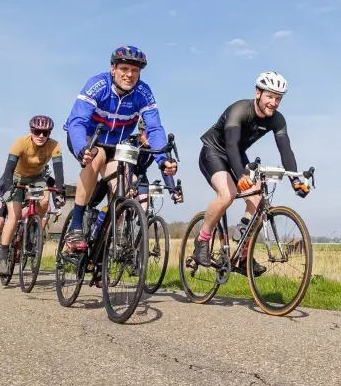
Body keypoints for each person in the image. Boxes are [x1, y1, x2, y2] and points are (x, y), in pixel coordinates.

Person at [61, 45, 178, 252]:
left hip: (115, 145)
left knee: (127, 186)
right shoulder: (98, 85)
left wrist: (163, 160)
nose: (129, 75)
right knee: (96, 156)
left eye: (135, 70)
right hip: (87, 139)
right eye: (124, 69)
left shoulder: (143, 92)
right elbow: (77, 121)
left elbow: (154, 128)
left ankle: (102, 242)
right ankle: (76, 226)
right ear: (113, 69)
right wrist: (82, 147)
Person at [192, 71, 309, 271]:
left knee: (257, 200)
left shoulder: (277, 120)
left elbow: (285, 150)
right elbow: (230, 145)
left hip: (237, 154)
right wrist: (241, 176)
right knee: (227, 194)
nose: (273, 103)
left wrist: (295, 181)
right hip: (214, 152)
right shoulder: (239, 110)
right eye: (270, 96)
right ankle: (202, 240)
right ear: (258, 93)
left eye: (278, 98)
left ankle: (243, 257)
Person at [0, 115, 66, 276]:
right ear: (31, 131)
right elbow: (8, 169)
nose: (41, 135)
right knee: (14, 216)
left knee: (45, 202)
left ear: (49, 133)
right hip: (17, 178)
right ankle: (2, 257)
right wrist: (8, 187)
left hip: (37, 179)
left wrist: (60, 191)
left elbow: (59, 171)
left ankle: (33, 228)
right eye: (37, 131)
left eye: (45, 133)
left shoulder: (54, 145)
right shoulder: (20, 142)